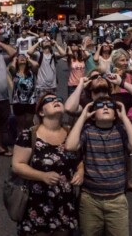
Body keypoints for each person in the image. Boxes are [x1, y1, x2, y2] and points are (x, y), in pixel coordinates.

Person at [65, 96, 132, 236]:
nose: (106, 107)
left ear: (115, 115)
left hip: (117, 200)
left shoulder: (121, 131)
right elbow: (70, 146)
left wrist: (124, 118)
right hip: (90, 200)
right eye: (100, 105)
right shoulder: (87, 131)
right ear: (93, 115)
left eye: (110, 106)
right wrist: (83, 116)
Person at [11, 93, 83, 236]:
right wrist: (42, 176)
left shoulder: (71, 134)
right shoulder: (29, 135)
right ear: (41, 112)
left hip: (64, 204)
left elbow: (80, 160)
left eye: (58, 99)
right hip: (37, 205)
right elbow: (17, 165)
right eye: (49, 100)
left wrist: (81, 171)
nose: (56, 101)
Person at [8, 54, 39, 134]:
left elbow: (36, 65)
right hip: (18, 101)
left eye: (24, 57)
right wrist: (14, 60)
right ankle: (20, 141)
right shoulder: (15, 72)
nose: (22, 58)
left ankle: (28, 140)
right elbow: (11, 67)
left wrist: (29, 59)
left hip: (31, 101)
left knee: (29, 122)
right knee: (20, 124)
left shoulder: (31, 71)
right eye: (20, 58)